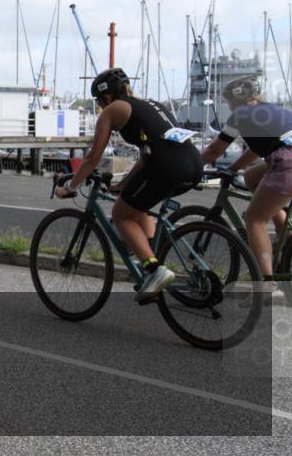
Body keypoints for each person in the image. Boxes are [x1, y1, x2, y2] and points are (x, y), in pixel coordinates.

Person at [55, 68, 203, 302]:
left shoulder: (113, 111)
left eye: (98, 101)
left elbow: (93, 157)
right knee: (137, 204)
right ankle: (153, 255)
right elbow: (145, 155)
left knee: (121, 215)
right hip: (193, 163)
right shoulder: (151, 105)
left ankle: (154, 270)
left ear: (105, 97)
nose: (100, 105)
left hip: (165, 166)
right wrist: (124, 183)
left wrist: (71, 187)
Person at [202, 76, 292, 296]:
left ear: (236, 98)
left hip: (286, 164)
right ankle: (285, 234)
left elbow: (214, 150)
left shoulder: (240, 115)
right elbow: (257, 150)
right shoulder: (273, 109)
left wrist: (193, 166)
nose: (227, 104)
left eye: (227, 100)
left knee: (254, 219)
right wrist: (232, 169)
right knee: (251, 176)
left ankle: (267, 284)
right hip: (284, 157)